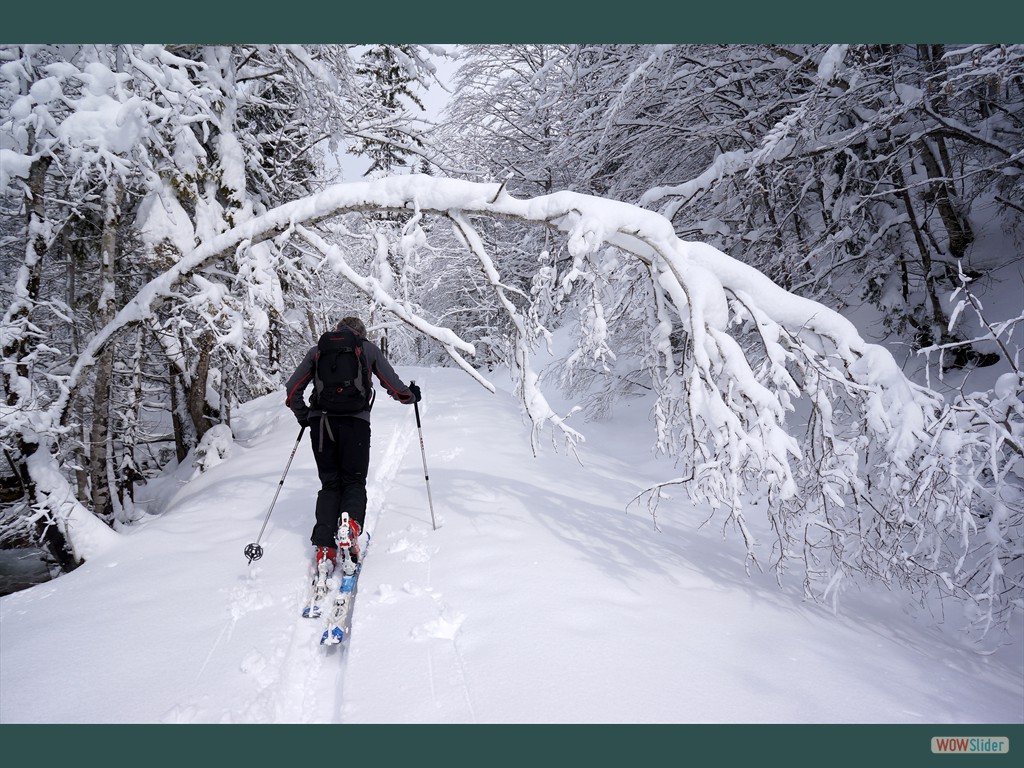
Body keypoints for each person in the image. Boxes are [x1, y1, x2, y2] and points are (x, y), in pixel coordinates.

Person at [284, 315, 421, 576]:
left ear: (337, 332)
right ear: (361, 334)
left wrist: (305, 417)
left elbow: (292, 390)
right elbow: (392, 384)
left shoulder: (318, 352)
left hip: (321, 425)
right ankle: (352, 527)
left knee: (330, 483)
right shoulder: (367, 349)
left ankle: (325, 547)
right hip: (355, 425)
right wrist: (410, 396)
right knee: (354, 481)